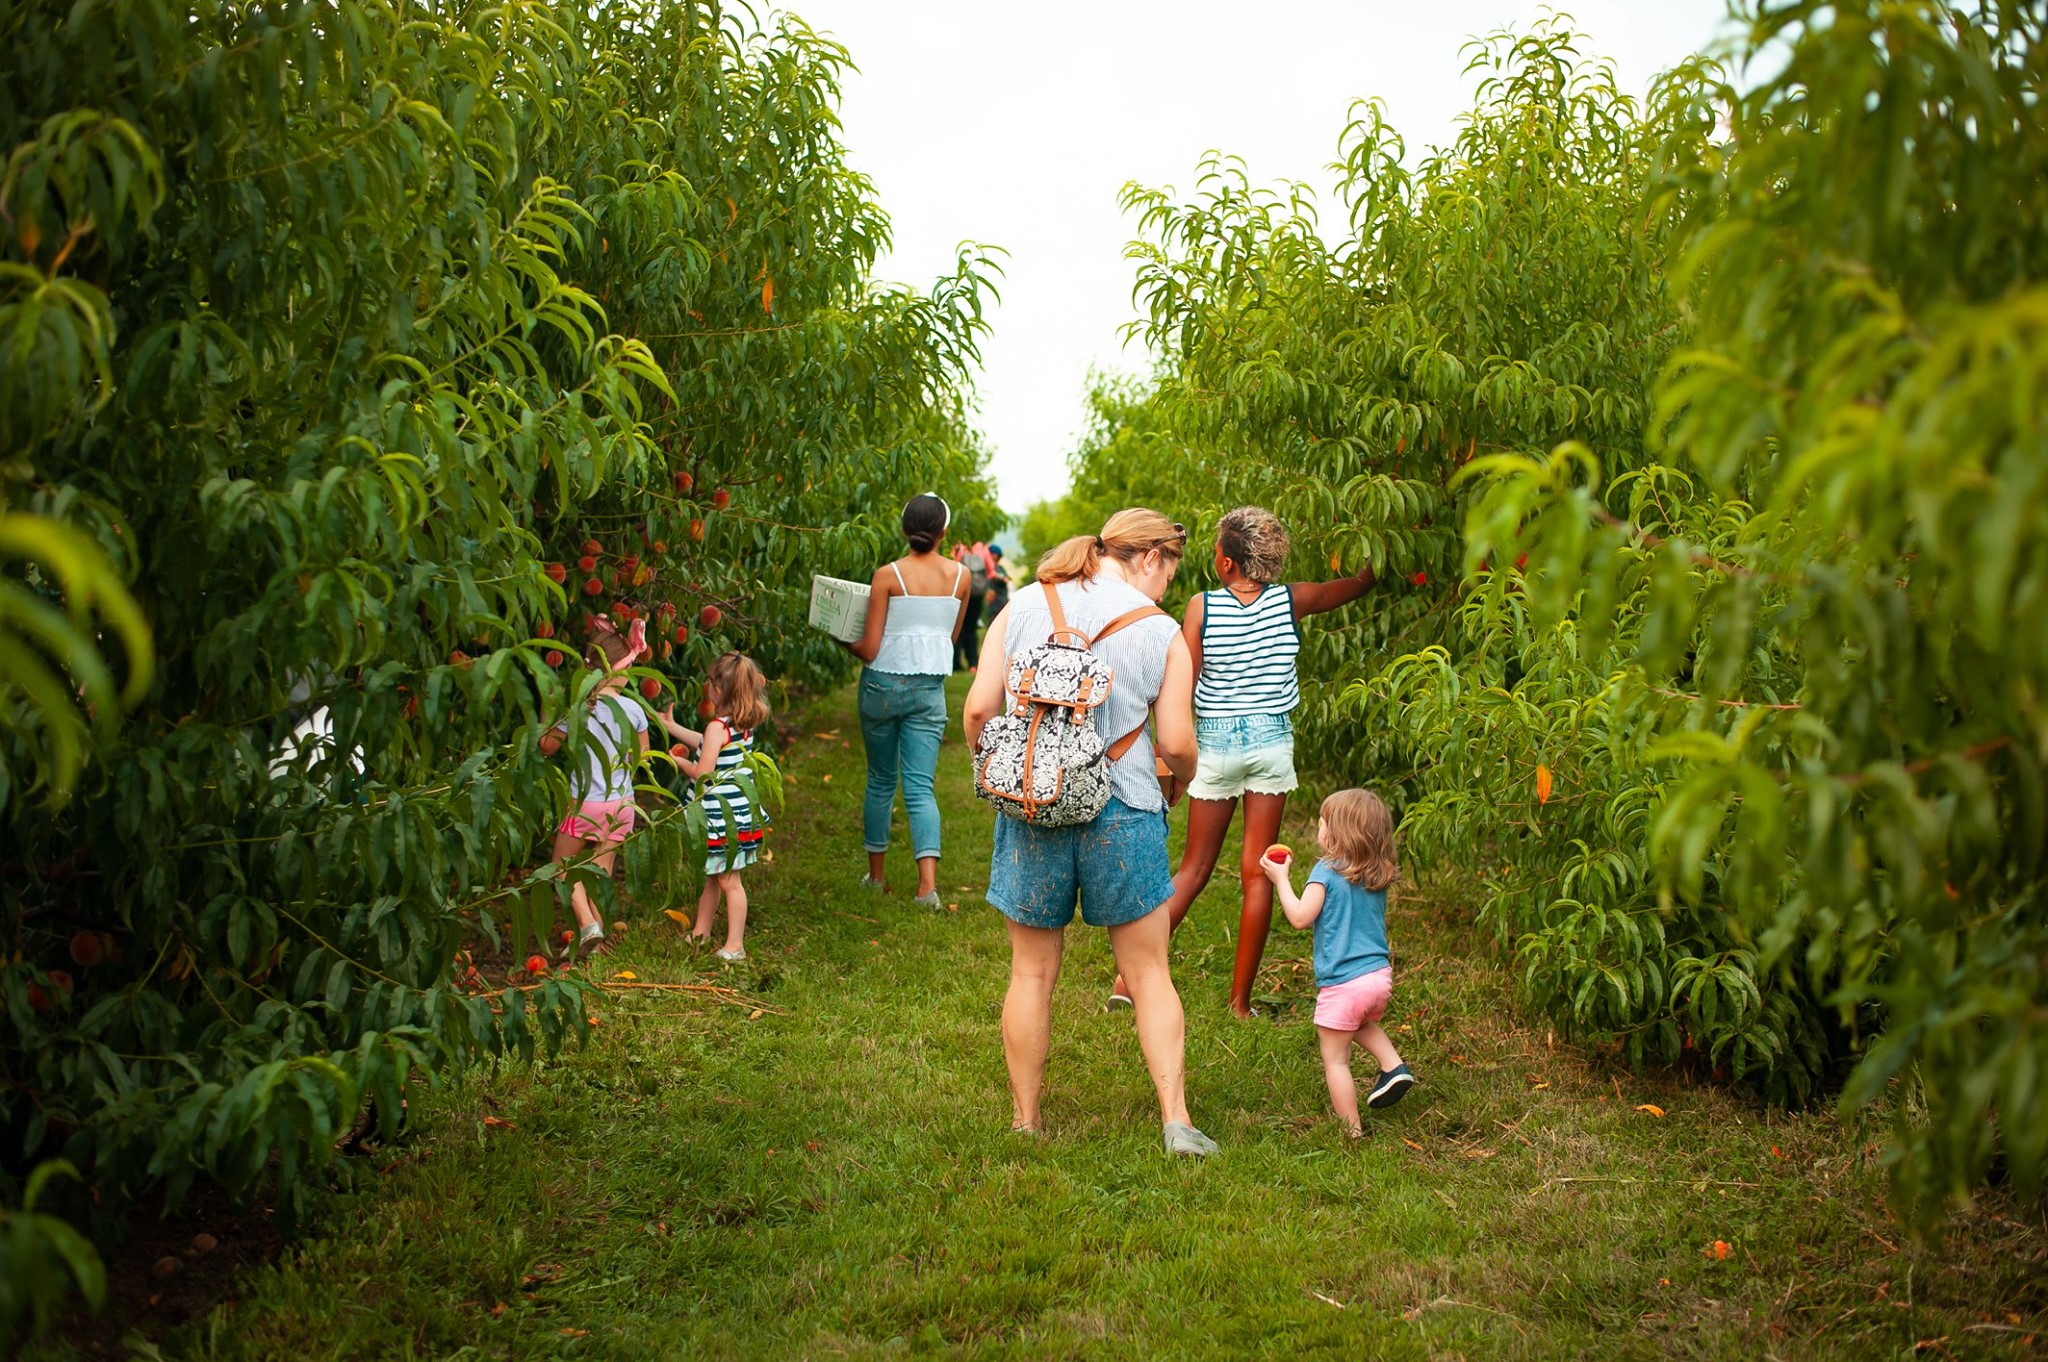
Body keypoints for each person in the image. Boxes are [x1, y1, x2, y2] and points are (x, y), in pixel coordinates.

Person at [964, 509, 1218, 1156]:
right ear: (1152, 556)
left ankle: (1026, 1122)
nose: (1164, 588)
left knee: (1030, 973)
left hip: (1033, 805)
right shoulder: (1160, 631)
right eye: (1170, 571)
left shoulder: (1021, 606)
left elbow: (978, 709)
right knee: (1149, 971)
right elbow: (1177, 742)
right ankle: (1176, 1121)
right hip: (1125, 808)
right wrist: (1180, 779)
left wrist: (1001, 775)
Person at [1112, 506, 1377, 1017]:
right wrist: (1377, 550)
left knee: (1193, 868)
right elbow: (1356, 584)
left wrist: (1163, 747)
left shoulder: (1201, 607)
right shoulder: (1292, 599)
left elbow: (1180, 683)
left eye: (1216, 552)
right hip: (1270, 744)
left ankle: (1127, 980)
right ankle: (1239, 1004)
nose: (1214, 558)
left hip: (1215, 746)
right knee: (1259, 873)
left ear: (1229, 564)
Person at [1260, 789, 1414, 1135]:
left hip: (1343, 983)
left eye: (1323, 822)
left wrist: (1281, 881)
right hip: (1377, 976)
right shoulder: (1376, 872)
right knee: (1358, 1023)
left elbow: (1300, 917)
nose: (1318, 826)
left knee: (1336, 1060)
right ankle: (1393, 1065)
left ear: (1335, 833)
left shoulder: (1326, 871)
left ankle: (1351, 1131)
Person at [843, 493, 970, 907]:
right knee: (920, 787)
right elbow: (949, 640)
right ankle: (927, 888)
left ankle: (876, 877)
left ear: (904, 529)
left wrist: (839, 634)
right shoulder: (960, 578)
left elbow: (868, 648)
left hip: (880, 687)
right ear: (943, 533)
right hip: (928, 690)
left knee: (881, 780)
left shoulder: (887, 576)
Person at [539, 624, 647, 959]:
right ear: (621, 668)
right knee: (600, 875)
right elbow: (640, 757)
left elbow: (546, 747)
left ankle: (587, 924)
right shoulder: (633, 710)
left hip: (585, 803)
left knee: (561, 868)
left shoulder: (579, 710)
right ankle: (596, 947)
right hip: (623, 804)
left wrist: (547, 712)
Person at [658, 652, 772, 961]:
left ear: (718, 691)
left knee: (728, 881)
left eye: (709, 682)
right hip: (734, 813)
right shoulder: (739, 724)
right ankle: (701, 932)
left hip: (724, 818)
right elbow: (706, 743)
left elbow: (702, 773)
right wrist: (673, 727)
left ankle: (735, 945)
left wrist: (677, 761)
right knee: (713, 875)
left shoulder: (717, 728)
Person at [953, 540, 993, 671]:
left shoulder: (959, 547)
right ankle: (973, 664)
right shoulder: (983, 548)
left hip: (961, 591)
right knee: (971, 628)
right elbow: (990, 570)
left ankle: (956, 663)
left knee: (958, 627)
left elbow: (953, 566)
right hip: (977, 592)